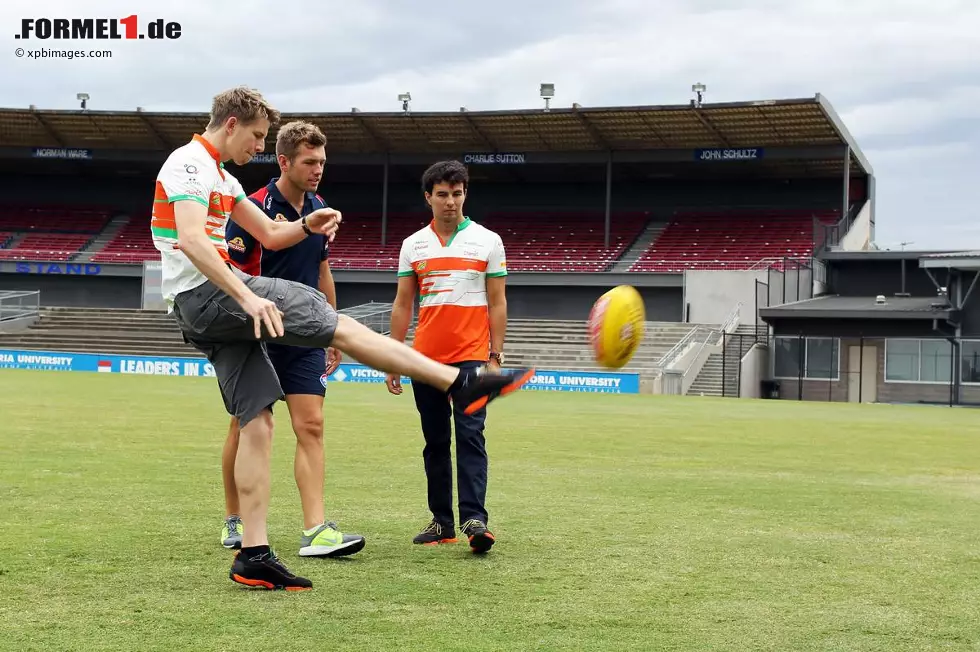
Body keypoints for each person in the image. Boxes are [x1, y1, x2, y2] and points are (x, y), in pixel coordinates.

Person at [151, 86, 535, 591]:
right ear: (230, 125)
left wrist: (305, 224)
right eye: (258, 137)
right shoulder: (190, 163)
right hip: (211, 294)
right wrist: (246, 297)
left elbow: (269, 234)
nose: (259, 148)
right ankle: (456, 384)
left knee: (257, 421)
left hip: (201, 307)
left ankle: (253, 554)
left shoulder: (222, 176)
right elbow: (195, 240)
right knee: (333, 319)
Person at [218, 120, 361, 560]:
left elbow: (321, 271)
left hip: (304, 335)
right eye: (309, 161)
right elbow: (232, 271)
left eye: (322, 161)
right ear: (284, 161)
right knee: (247, 425)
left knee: (312, 426)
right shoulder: (254, 208)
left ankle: (315, 530)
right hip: (257, 330)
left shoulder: (322, 208)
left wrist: (331, 326)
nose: (318, 169)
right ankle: (235, 519)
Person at [385, 160, 508, 554]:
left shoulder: (489, 241)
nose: (450, 201)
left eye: (457, 193)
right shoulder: (412, 245)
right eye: (442, 194)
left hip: (472, 358)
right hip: (426, 361)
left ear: (465, 194)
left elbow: (498, 301)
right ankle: (442, 522)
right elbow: (403, 304)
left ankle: (476, 520)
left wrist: (495, 357)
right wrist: (393, 355)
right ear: (428, 198)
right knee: (435, 442)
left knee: (470, 436)